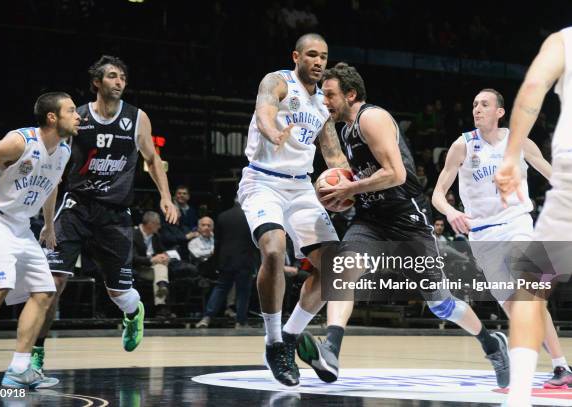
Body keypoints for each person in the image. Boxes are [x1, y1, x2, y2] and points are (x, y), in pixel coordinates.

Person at [296, 63, 509, 387]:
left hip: (406, 219)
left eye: (330, 95)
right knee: (343, 269)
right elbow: (356, 174)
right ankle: (332, 349)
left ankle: (492, 344)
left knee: (441, 304)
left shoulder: (372, 118)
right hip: (370, 220)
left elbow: (396, 174)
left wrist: (348, 189)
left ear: (350, 94)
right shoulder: (345, 130)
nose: (325, 101)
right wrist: (343, 190)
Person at [33, 55, 178, 372]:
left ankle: (132, 312)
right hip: (76, 207)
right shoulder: (79, 117)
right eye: (112, 76)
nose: (120, 81)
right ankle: (36, 355)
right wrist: (47, 219)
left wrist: (165, 196)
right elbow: (55, 164)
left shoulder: (137, 118)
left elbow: (152, 160)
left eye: (123, 77)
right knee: (52, 284)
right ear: (97, 82)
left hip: (114, 214)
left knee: (119, 292)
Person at [432, 88, 571, 389]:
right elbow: (437, 195)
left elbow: (550, 172)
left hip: (517, 222)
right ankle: (548, 365)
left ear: (500, 112)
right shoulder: (463, 145)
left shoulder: (517, 141)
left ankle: (561, 367)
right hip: (482, 235)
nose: (477, 109)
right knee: (514, 307)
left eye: (484, 104)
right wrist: (451, 212)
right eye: (474, 104)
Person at [237, 33, 350, 387]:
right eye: (312, 55)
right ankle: (272, 341)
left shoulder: (323, 106)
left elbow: (333, 155)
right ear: (296, 57)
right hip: (262, 181)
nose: (319, 62)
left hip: (302, 186)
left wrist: (355, 184)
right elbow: (265, 111)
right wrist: (272, 132)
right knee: (272, 251)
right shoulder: (278, 81)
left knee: (334, 269)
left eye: (324, 57)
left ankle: (289, 337)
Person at [0, 92, 78, 388]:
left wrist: (49, 225)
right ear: (53, 117)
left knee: (44, 291)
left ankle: (19, 369)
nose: (79, 116)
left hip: (21, 225)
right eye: (72, 111)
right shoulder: (19, 142)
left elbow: (50, 187)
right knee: (0, 285)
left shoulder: (63, 151)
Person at [495, 28, 570, 406]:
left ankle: (519, 398)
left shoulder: (564, 40)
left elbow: (533, 86)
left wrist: (510, 156)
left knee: (530, 286)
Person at [195, 200, 258, 329]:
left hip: (226, 259)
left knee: (221, 288)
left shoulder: (223, 216)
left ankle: (207, 317)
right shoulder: (252, 215)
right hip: (245, 259)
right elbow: (255, 240)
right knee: (243, 291)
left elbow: (217, 241)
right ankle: (240, 321)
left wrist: (217, 261)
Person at [133, 211, 172, 318]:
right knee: (161, 269)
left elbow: (162, 251)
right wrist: (152, 259)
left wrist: (164, 256)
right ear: (150, 224)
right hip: (139, 269)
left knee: (161, 266)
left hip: (154, 269)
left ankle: (161, 285)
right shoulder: (133, 235)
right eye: (158, 224)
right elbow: (133, 258)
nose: (159, 227)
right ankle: (161, 304)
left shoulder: (155, 236)